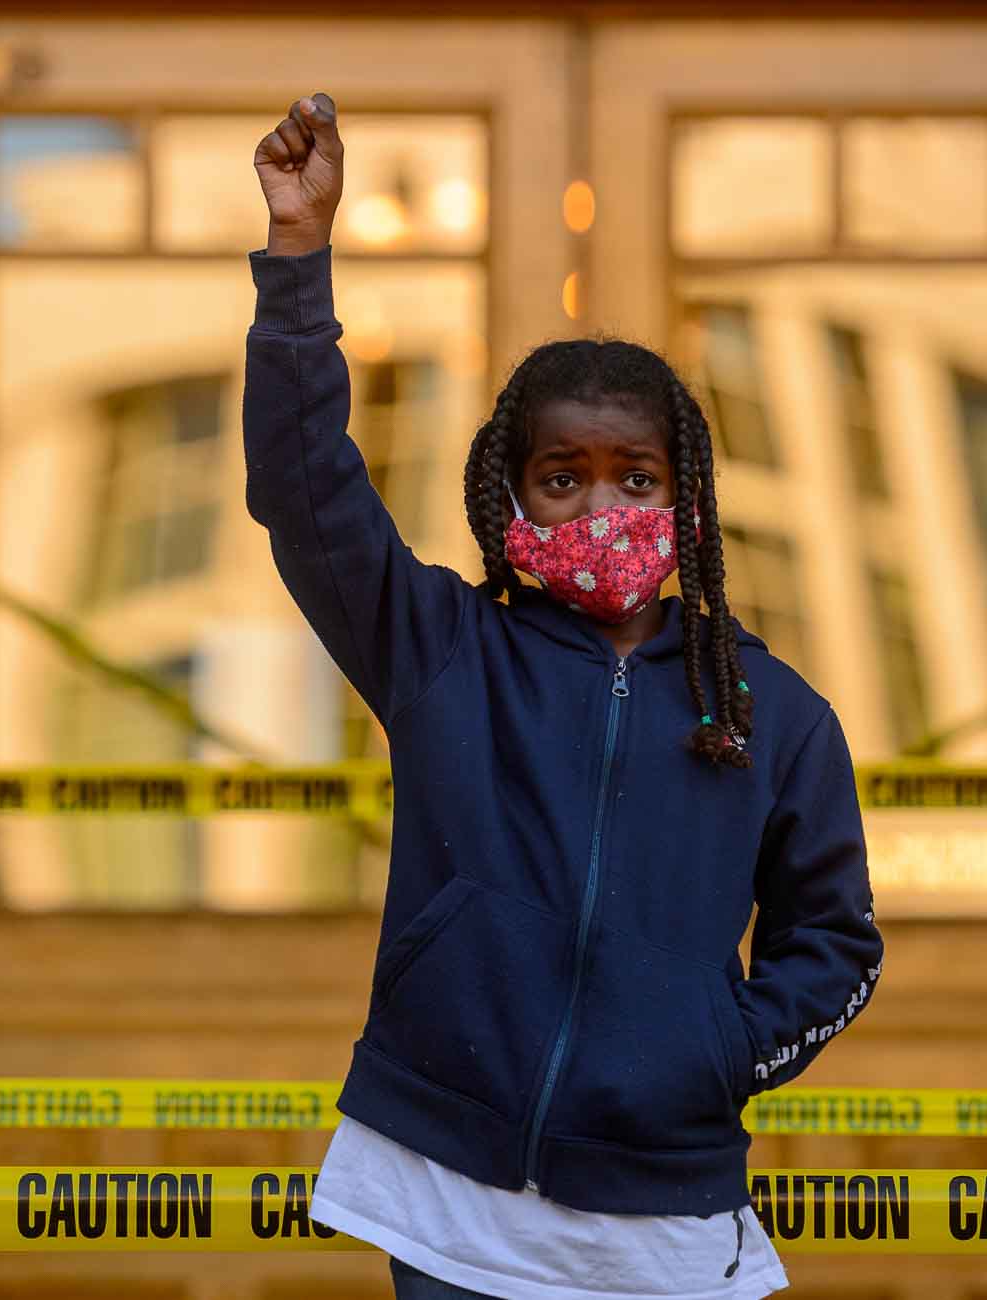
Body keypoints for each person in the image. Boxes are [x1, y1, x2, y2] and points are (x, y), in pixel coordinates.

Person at [245, 91, 884, 1300]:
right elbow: (300, 486)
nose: (602, 511)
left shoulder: (774, 711)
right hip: (445, 1199)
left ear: (686, 495)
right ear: (510, 499)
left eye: (635, 477)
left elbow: (836, 943)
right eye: (562, 477)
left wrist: (718, 1052)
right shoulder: (440, 647)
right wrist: (296, 256)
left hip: (666, 1209)